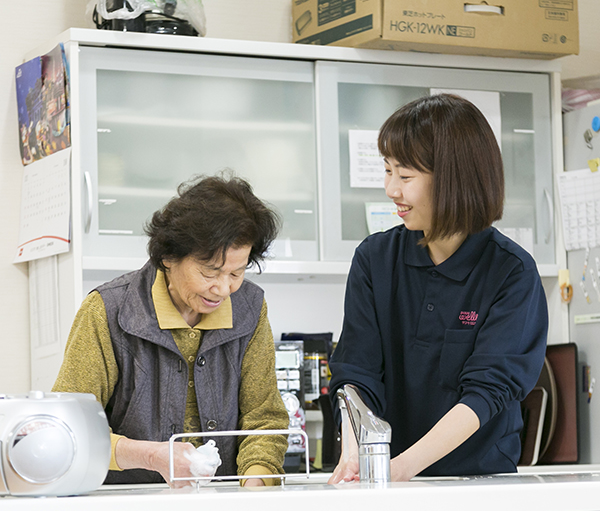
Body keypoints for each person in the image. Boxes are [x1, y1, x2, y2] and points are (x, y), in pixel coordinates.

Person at [328, 93, 548, 484]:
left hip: (479, 485)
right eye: (387, 170)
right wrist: (353, 451)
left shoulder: (511, 273)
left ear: (452, 179)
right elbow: (356, 373)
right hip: (387, 479)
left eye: (405, 176)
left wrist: (402, 468)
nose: (391, 189)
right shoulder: (375, 259)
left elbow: (488, 392)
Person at [53, 173, 289, 488]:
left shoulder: (249, 308)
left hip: (224, 507)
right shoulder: (108, 311)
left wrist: (253, 488)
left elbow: (265, 420)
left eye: (237, 272)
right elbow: (68, 429)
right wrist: (149, 456)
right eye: (210, 272)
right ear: (169, 257)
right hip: (126, 506)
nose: (222, 288)